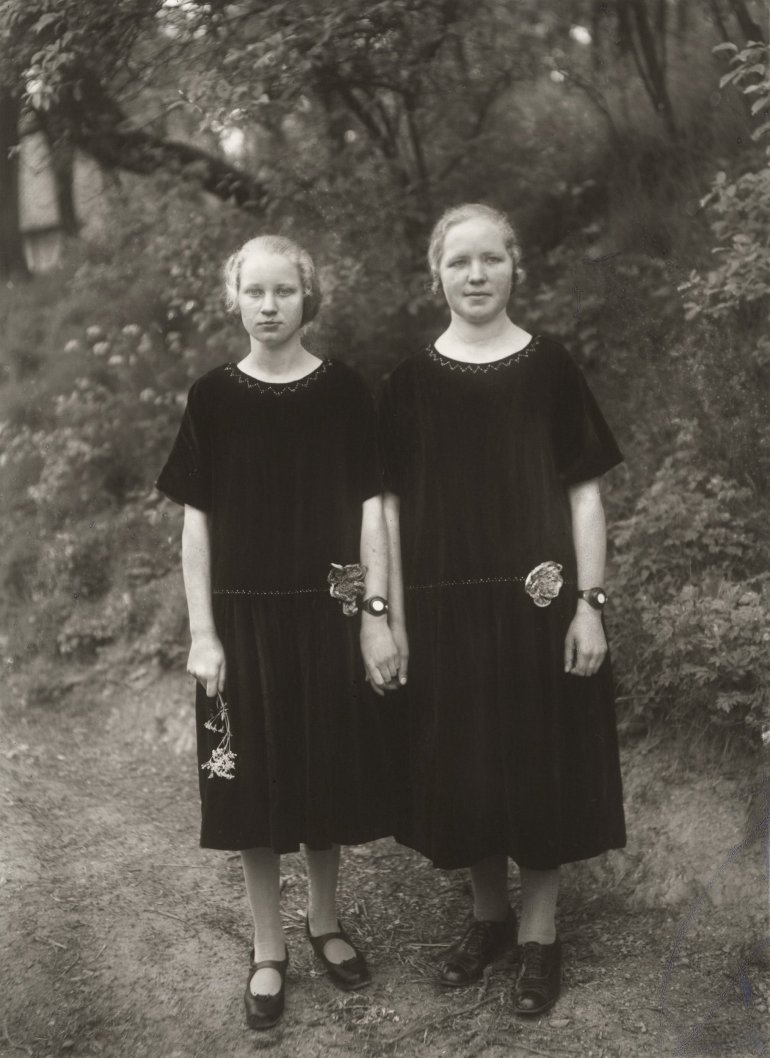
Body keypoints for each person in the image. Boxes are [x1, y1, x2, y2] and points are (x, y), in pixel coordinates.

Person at [378, 203, 626, 1016]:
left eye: (491, 259)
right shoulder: (409, 384)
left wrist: (590, 605)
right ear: (436, 275)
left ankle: (540, 936)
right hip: (446, 610)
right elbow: (381, 508)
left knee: (537, 760)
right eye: (460, 262)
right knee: (465, 763)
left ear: (517, 267)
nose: (476, 275)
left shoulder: (551, 367)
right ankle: (488, 918)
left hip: (540, 606)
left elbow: (585, 495)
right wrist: (386, 615)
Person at [156, 234, 400, 1030]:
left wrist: (372, 618)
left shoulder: (343, 393)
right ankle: (268, 948)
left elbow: (370, 513)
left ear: (308, 298)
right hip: (242, 618)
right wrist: (204, 633)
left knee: (323, 774)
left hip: (326, 612)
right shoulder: (212, 398)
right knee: (252, 785)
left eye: (283, 292)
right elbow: (198, 527)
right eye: (254, 292)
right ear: (235, 299)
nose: (268, 306)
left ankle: (325, 922)